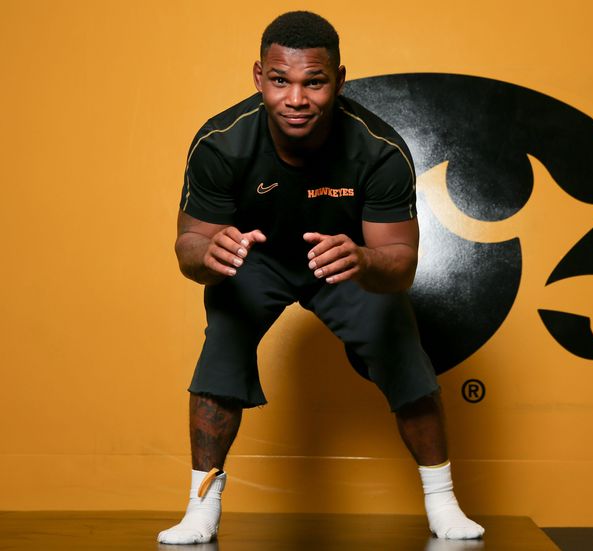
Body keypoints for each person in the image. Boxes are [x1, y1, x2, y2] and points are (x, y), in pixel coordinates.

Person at [157, 11, 484, 545]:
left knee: (399, 342)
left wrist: (364, 261)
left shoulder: (378, 149)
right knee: (223, 341)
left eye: (315, 81)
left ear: (339, 79)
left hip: (342, 259)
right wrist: (209, 251)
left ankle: (442, 499)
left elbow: (400, 262)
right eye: (281, 81)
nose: (296, 99)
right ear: (259, 77)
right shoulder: (220, 143)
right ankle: (201, 506)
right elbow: (188, 248)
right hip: (254, 259)